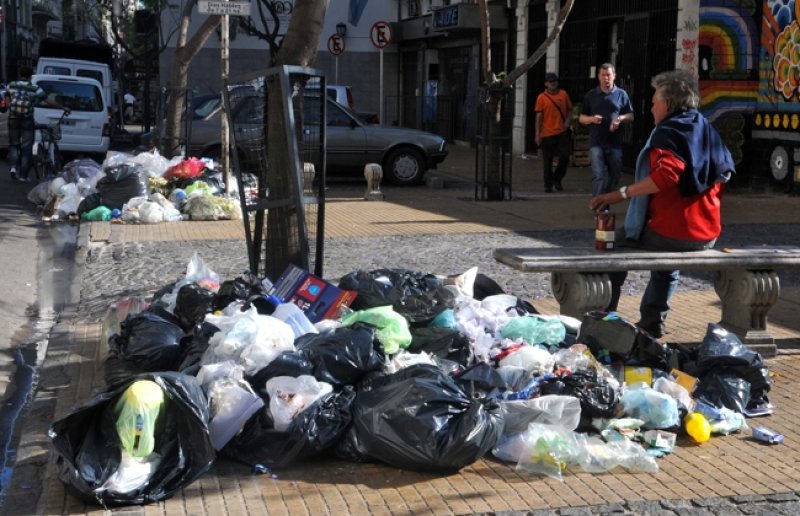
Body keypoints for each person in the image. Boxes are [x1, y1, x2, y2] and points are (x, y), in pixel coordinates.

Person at [588, 69, 735, 338]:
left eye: (654, 100)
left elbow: (667, 174)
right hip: (708, 234)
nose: (651, 106)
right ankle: (653, 321)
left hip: (673, 233)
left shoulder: (667, 133)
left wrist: (619, 194)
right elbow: (725, 173)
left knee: (613, 247)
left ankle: (603, 320)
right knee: (667, 266)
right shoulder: (705, 127)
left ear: (667, 104)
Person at [5, 66, 68, 182]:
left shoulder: (11, 85)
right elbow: (47, 100)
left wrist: (9, 108)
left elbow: (7, 99)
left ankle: (13, 168)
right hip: (27, 120)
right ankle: (23, 176)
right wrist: (62, 107)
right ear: (30, 76)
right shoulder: (34, 88)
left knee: (14, 144)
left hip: (13, 118)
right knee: (26, 148)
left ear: (20, 74)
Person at [579, 63, 634, 196]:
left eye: (608, 75)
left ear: (614, 76)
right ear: (599, 76)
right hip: (596, 142)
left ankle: (606, 198)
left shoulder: (621, 94)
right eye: (603, 75)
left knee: (615, 175)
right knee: (599, 175)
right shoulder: (591, 95)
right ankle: (599, 206)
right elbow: (581, 118)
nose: (606, 78)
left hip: (614, 142)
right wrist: (592, 119)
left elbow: (631, 115)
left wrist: (620, 119)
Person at [534, 72, 573, 192]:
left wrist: (567, 121)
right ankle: (548, 184)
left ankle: (557, 178)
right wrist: (537, 134)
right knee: (548, 161)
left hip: (561, 132)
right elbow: (539, 117)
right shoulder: (541, 98)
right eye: (550, 81)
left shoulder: (563, 94)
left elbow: (569, 109)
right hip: (547, 133)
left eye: (555, 81)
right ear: (546, 84)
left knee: (565, 156)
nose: (553, 83)